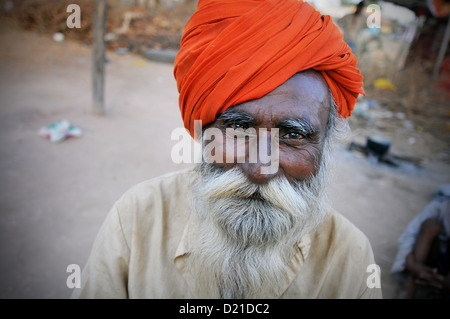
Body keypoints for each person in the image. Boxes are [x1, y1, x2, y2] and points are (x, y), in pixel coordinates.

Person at [72, 0, 382, 299]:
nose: (261, 169)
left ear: (324, 146)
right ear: (204, 131)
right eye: (237, 128)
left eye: (292, 134)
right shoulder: (137, 219)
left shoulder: (349, 259)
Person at [391, 186, 450, 299]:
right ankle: (409, 287)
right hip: (432, 261)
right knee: (430, 225)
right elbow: (408, 236)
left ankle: (438, 292)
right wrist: (412, 264)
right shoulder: (440, 205)